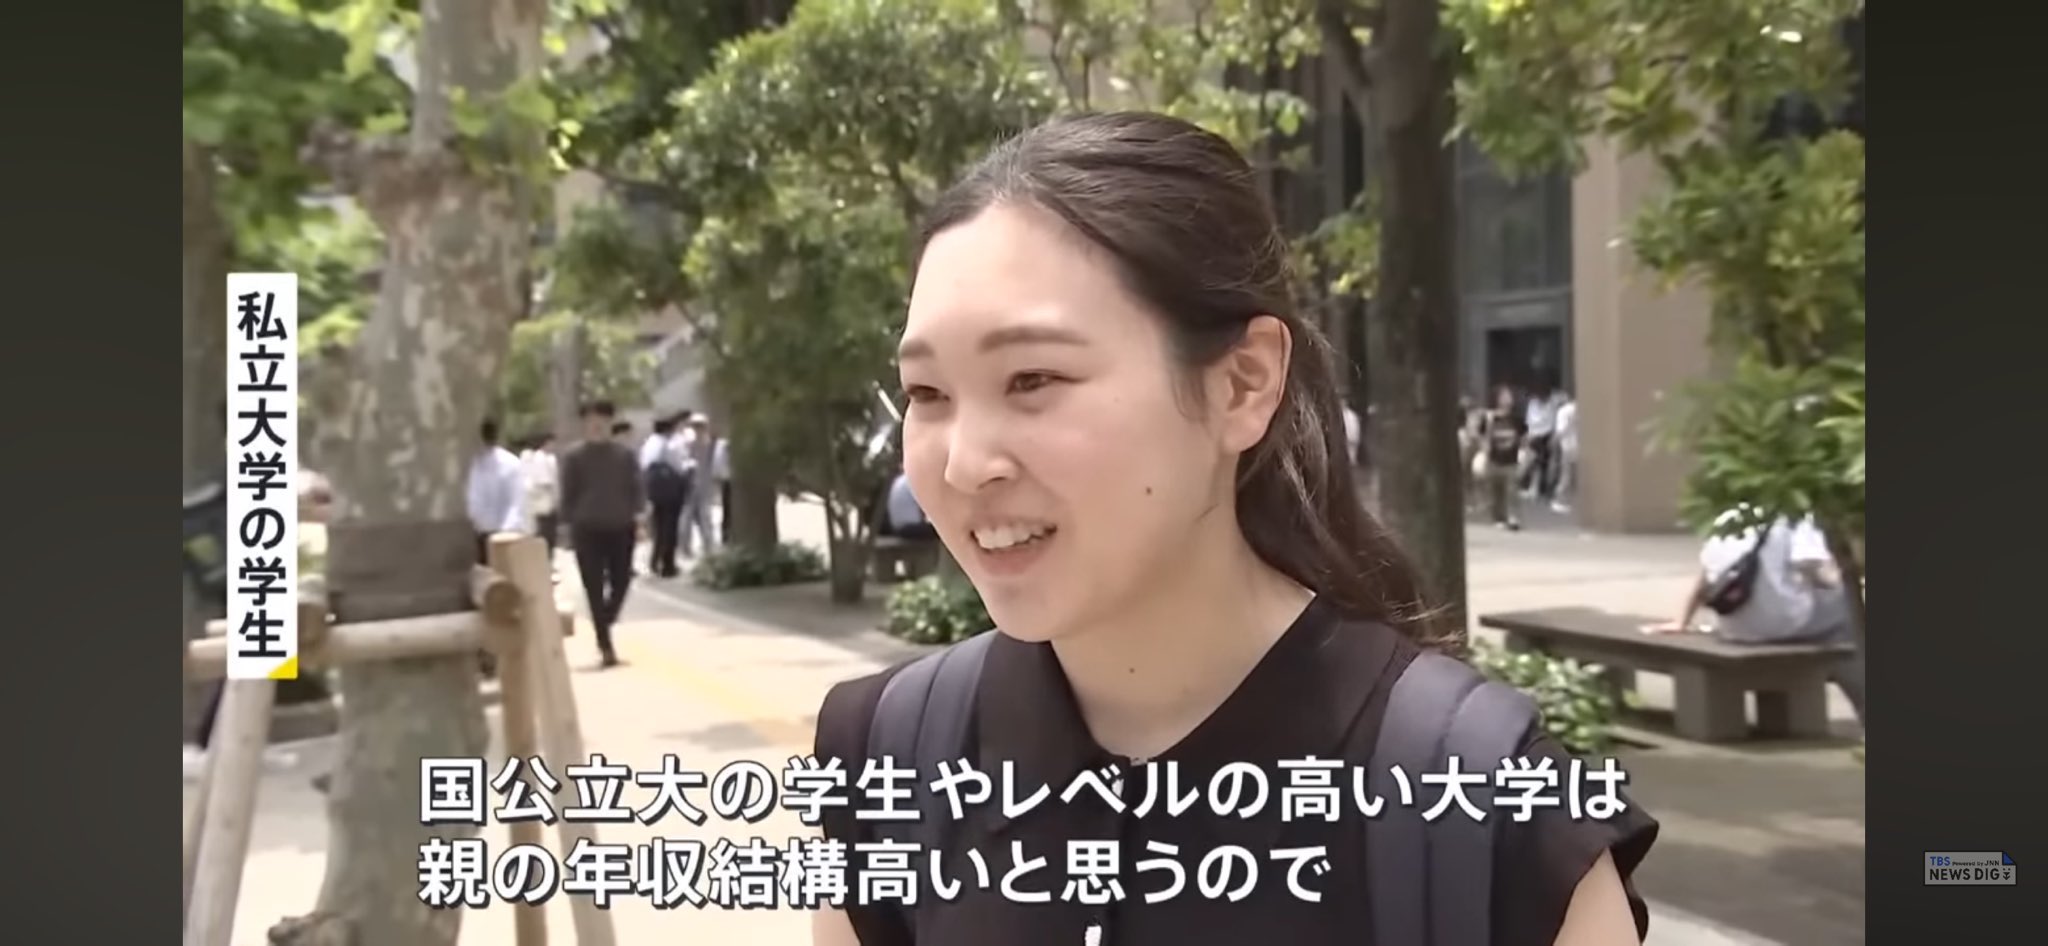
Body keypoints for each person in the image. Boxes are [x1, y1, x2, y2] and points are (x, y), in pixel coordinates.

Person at [809, 112, 1655, 946]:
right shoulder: (889, 757)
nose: (964, 465)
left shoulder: (1489, 811)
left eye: (1032, 379)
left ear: (1243, 384)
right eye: (927, 393)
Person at [1646, 509, 1866, 726]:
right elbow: (1810, 566)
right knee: (1846, 618)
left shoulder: (1729, 517)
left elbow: (1705, 577)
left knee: (1834, 620)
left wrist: (1682, 620)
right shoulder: (1796, 518)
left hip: (1734, 626)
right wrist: (1842, 581)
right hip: (1782, 623)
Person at [560, 400, 642, 667]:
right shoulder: (574, 457)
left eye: (602, 421)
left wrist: (640, 518)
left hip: (621, 526)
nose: (597, 426)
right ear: (584, 424)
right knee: (593, 586)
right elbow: (568, 495)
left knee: (622, 580)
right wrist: (566, 527)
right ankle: (605, 645)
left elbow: (636, 488)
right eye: (591, 421)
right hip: (587, 529)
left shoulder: (625, 455)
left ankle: (606, 618)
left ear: (610, 423)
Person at [465, 418, 525, 564]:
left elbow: (474, 499)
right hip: (492, 532)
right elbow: (517, 499)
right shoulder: (478, 463)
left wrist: (505, 531)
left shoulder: (484, 464)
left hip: (495, 532)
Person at [640, 417, 689, 577]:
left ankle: (655, 561)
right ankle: (667, 564)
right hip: (670, 490)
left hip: (655, 490)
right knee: (669, 527)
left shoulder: (649, 443)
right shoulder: (668, 444)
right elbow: (678, 465)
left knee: (659, 526)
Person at [1479, 384, 1526, 530]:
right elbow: (1482, 436)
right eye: (1504, 396)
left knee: (1512, 490)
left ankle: (1513, 517)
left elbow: (1524, 436)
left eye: (1509, 396)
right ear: (1497, 399)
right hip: (1493, 458)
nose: (1508, 399)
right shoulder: (1489, 418)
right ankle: (1498, 518)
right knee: (1496, 490)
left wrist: (1523, 452)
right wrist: (1484, 452)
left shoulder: (1516, 418)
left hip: (1511, 459)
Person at [678, 414, 720, 558]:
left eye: (700, 426)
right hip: (691, 485)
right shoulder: (691, 443)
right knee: (689, 518)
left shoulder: (705, 444)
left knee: (702, 518)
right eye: (697, 426)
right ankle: (689, 548)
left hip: (701, 485)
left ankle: (706, 547)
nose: (699, 429)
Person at [520, 432, 561, 560]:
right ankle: (545, 561)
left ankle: (547, 560)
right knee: (546, 535)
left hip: (545, 503)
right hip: (545, 504)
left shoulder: (547, 458)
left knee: (547, 535)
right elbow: (545, 482)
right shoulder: (540, 458)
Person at [1552, 391, 1579, 513]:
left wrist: (1554, 442)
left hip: (1568, 446)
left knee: (1567, 475)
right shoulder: (1577, 408)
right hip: (1576, 445)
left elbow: (1560, 431)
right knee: (1572, 476)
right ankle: (1564, 500)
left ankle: (1560, 500)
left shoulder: (1563, 411)